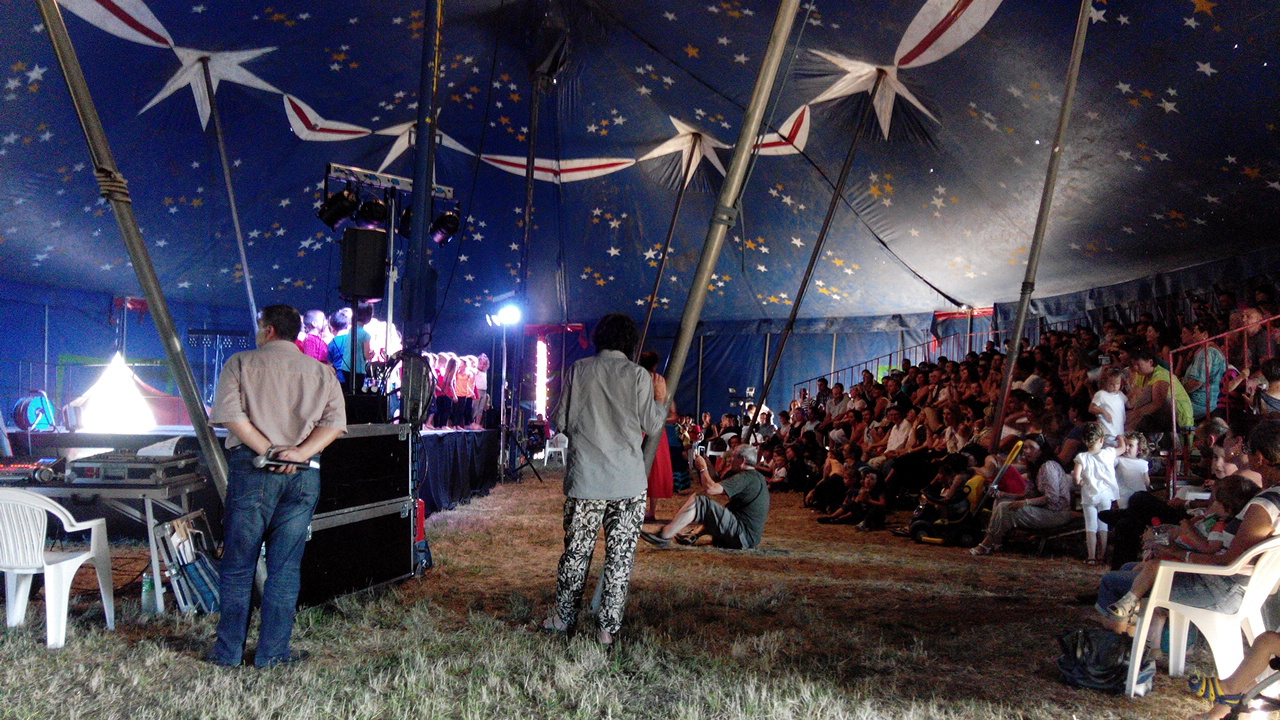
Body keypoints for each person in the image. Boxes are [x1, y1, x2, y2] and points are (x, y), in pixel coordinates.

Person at [207, 305, 346, 667]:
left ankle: (228, 653)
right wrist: (299, 453)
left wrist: (269, 451)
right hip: (302, 477)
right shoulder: (322, 372)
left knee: (239, 566)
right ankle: (272, 655)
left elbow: (231, 418)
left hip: (253, 471)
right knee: (285, 568)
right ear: (296, 333)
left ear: (268, 330)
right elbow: (334, 425)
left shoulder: (240, 363)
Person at [543, 313, 667, 646]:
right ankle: (606, 631)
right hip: (628, 483)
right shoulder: (639, 376)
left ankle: (564, 619)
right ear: (631, 342)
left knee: (575, 554)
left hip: (586, 480)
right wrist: (661, 398)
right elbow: (653, 426)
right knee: (620, 558)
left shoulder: (578, 371)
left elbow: (560, 421)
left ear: (599, 338)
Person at [641, 443, 769, 550]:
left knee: (701, 502)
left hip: (742, 536)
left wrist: (703, 468)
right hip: (747, 537)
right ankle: (692, 535)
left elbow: (711, 488)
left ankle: (663, 536)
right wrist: (707, 465)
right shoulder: (756, 478)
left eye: (733, 456)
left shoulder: (746, 478)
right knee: (713, 510)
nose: (730, 459)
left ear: (743, 461)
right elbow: (717, 483)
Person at [1074, 422, 1120, 564]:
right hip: (1105, 494)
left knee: (1091, 526)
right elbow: (1122, 448)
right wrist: (1121, 438)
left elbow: (1076, 478)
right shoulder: (1108, 453)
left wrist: (1082, 482)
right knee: (1104, 525)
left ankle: (1091, 556)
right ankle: (1103, 554)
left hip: (1089, 494)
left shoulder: (1081, 457)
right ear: (1101, 439)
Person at [327, 307, 372, 387]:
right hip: (358, 370)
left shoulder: (336, 340)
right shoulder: (362, 335)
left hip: (342, 372)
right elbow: (367, 355)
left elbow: (329, 362)